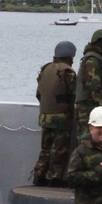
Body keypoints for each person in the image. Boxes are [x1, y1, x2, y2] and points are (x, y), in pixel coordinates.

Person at [32, 40, 77, 186]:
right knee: (59, 149)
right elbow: (75, 92)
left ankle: (39, 176)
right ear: (71, 56)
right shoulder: (67, 72)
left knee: (45, 148)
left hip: (45, 115)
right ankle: (54, 178)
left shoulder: (45, 69)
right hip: (61, 117)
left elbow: (39, 93)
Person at [74, 28, 102, 137]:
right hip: (88, 107)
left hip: (93, 106)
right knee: (87, 138)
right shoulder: (92, 60)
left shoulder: (98, 59)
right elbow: (93, 86)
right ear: (98, 43)